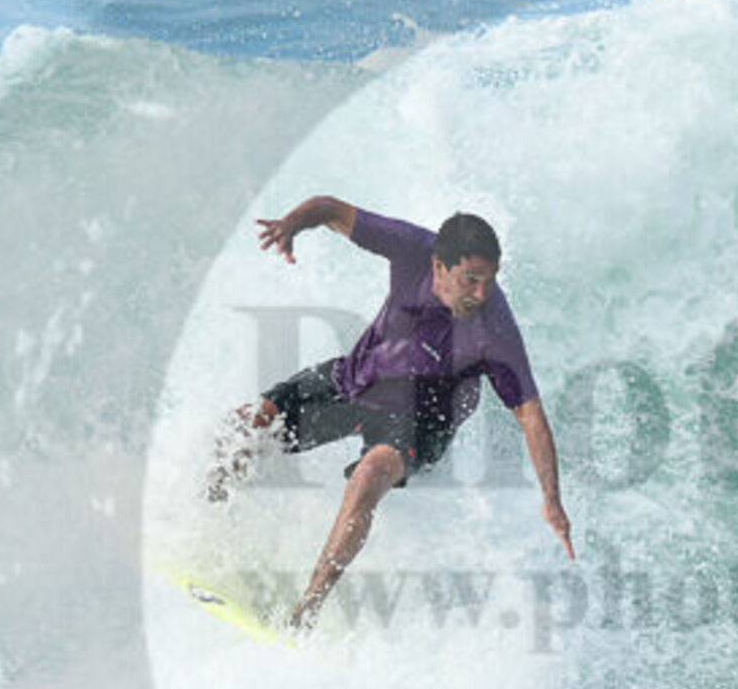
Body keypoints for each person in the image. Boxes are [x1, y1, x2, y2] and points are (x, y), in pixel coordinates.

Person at [208, 195, 574, 629]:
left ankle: (305, 614)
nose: (482, 293)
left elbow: (530, 415)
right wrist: (291, 225)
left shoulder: (494, 329)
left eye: (489, 281)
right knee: (246, 425)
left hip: (422, 422)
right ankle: (209, 535)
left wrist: (552, 501)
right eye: (471, 280)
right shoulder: (412, 248)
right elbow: (331, 210)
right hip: (359, 380)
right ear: (439, 266)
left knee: (369, 475)